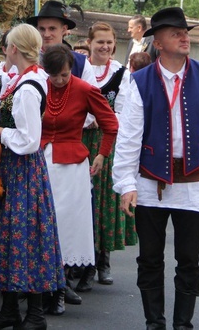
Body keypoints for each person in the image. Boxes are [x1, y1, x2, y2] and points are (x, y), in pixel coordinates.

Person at [112, 7, 199, 330]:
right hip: (150, 183)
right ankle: (154, 323)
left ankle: (183, 325)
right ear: (157, 42)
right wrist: (125, 183)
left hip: (193, 183)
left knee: (189, 260)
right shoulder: (139, 80)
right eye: (175, 32)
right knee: (150, 259)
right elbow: (129, 136)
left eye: (185, 32)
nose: (184, 37)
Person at [0, 23, 64, 330]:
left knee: (24, 237)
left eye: (7, 46)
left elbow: (29, 140)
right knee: (12, 237)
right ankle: (11, 310)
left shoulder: (28, 87)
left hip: (22, 170)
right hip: (15, 169)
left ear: (14, 49)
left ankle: (34, 314)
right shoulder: (27, 78)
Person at [40, 44, 118, 315]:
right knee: (42, 226)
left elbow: (111, 124)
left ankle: (59, 289)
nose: (59, 80)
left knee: (66, 226)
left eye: (64, 75)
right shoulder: (37, 85)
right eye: (54, 76)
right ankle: (42, 289)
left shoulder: (85, 89)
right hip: (41, 163)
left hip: (72, 168)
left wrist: (101, 155)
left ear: (71, 69)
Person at [81, 22, 136, 291]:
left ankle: (103, 261)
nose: (104, 46)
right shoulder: (80, 68)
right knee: (83, 201)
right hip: (80, 139)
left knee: (104, 200)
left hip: (107, 141)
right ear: (89, 43)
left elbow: (124, 110)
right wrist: (88, 118)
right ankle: (82, 262)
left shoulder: (121, 73)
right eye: (99, 41)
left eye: (109, 42)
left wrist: (101, 119)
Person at [26, 0, 97, 87]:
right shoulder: (26, 59)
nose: (46, 34)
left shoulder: (80, 63)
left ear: (64, 29)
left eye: (52, 29)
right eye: (42, 29)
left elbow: (93, 97)